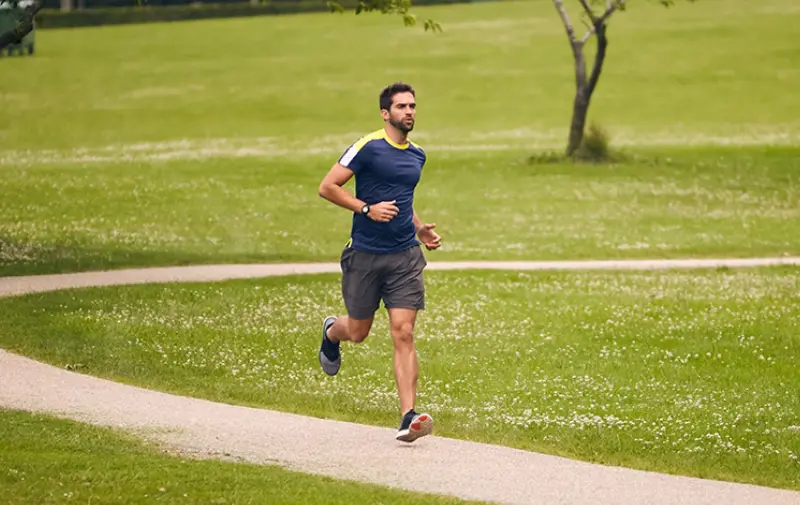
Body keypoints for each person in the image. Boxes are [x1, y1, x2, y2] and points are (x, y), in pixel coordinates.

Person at [316, 82, 441, 443]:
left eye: (413, 106)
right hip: (365, 255)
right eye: (401, 106)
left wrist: (419, 229)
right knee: (358, 332)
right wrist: (366, 209)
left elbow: (403, 197)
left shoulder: (417, 154)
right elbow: (328, 187)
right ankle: (330, 331)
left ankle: (408, 416)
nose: (409, 112)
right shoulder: (367, 147)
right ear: (385, 113)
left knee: (403, 332)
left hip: (404, 256)